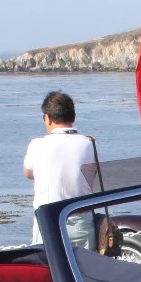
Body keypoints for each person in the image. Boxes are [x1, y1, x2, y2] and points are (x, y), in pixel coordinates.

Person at [23, 91, 99, 249]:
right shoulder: (88, 144)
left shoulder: (37, 145)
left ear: (48, 118)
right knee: (85, 264)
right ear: (74, 117)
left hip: (48, 220)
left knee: (45, 263)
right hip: (81, 220)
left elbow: (28, 173)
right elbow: (93, 175)